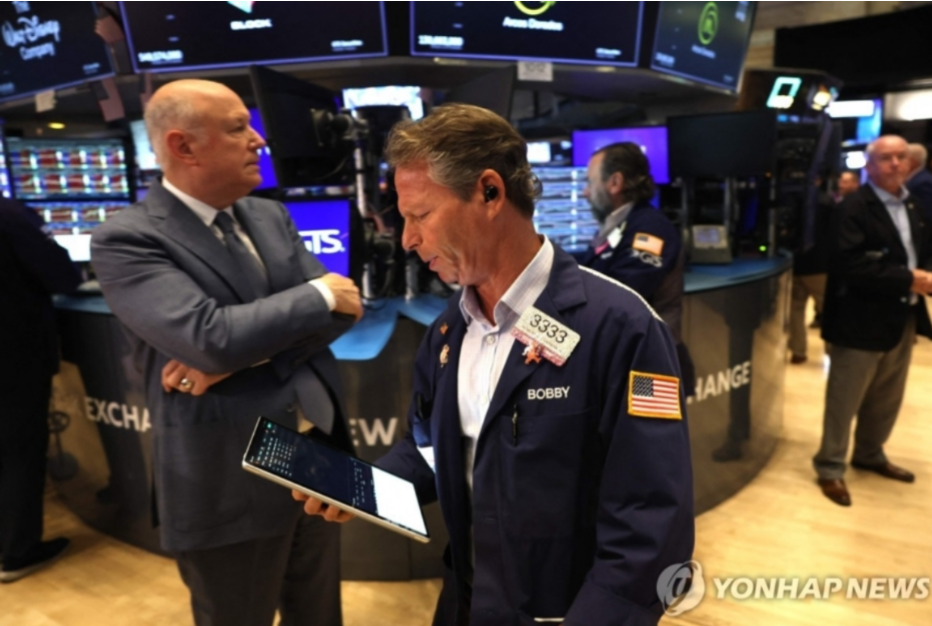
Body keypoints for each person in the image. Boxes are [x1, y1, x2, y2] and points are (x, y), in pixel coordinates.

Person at [296, 104, 695, 625]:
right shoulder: (448, 332)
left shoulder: (624, 329)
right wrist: (359, 486)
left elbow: (652, 525)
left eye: (420, 215)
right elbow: (432, 451)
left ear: (489, 192)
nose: (407, 239)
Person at [91, 79, 363, 626]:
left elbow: (346, 310)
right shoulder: (128, 239)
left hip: (317, 458)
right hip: (226, 478)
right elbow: (209, 339)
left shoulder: (268, 215)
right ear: (183, 146)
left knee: (320, 614)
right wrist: (316, 293)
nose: (259, 140)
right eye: (239, 128)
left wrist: (246, 356)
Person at [815, 135, 932, 507]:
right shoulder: (853, 207)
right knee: (844, 400)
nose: (896, 164)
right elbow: (849, 264)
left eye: (901, 156)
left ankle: (870, 453)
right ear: (869, 165)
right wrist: (908, 278)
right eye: (886, 158)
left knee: (886, 398)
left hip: (901, 317)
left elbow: (929, 249)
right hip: (858, 320)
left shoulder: (913, 204)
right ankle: (830, 466)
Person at [0, 199, 81, 583]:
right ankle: (19, 551)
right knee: (20, 452)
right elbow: (63, 275)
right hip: (13, 357)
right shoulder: (9, 215)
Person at [577, 141, 695, 394]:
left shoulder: (650, 229)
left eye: (590, 182)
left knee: (646, 422)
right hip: (625, 360)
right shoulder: (618, 227)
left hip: (651, 366)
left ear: (615, 183)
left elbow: (621, 295)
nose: (585, 193)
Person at [789, 177, 834, 363]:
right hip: (820, 265)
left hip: (796, 263)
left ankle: (798, 351)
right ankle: (833, 351)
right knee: (829, 310)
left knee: (795, 310)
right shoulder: (827, 201)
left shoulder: (791, 199)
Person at [905, 143, 932, 223]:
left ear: (912, 161)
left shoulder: (923, 182)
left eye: (901, 157)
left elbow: (928, 214)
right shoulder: (918, 177)